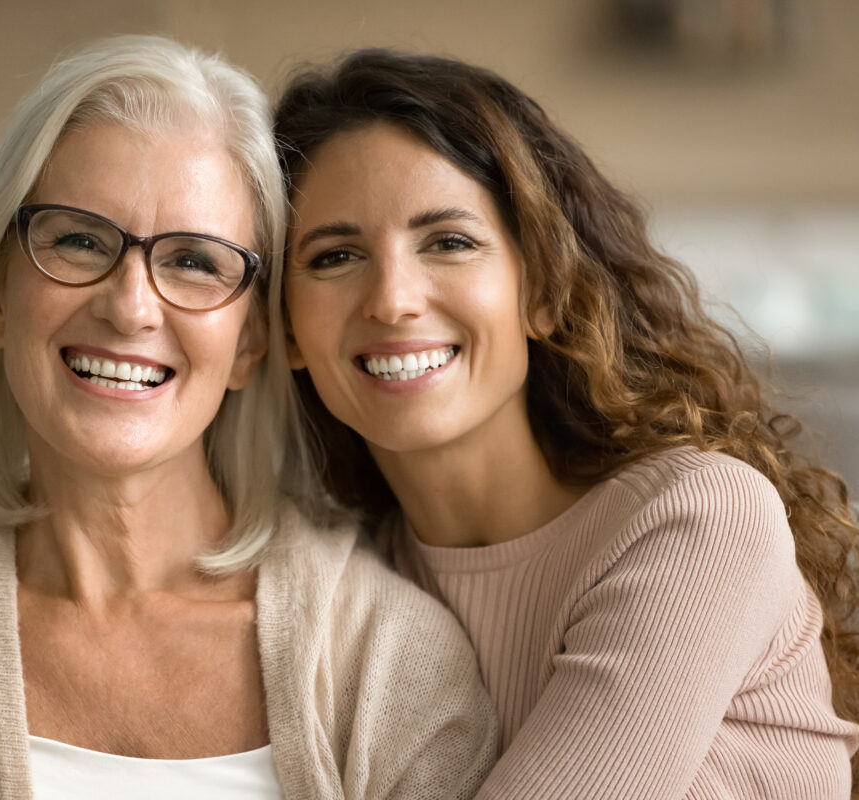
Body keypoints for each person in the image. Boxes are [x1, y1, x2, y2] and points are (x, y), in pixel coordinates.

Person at [0, 37, 497, 800]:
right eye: (77, 241)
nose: (130, 305)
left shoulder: (391, 660)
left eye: (191, 260)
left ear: (250, 339)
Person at [271, 49, 859, 797]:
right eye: (334, 255)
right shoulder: (333, 591)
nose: (392, 299)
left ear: (542, 292)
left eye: (448, 242)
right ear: (285, 329)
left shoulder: (694, 518)